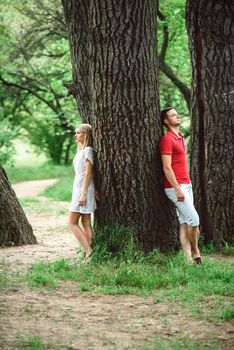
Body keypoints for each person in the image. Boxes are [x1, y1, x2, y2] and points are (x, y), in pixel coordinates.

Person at [159, 107, 202, 264]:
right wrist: (177, 188)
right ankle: (196, 251)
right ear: (166, 121)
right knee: (194, 220)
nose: (177, 116)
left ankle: (187, 259)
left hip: (187, 184)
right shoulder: (167, 139)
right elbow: (166, 167)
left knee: (184, 222)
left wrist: (186, 185)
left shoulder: (180, 137)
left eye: (177, 114)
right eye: (173, 115)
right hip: (175, 187)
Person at [68, 123, 96, 258]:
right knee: (85, 221)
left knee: (72, 223)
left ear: (86, 135)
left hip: (83, 189)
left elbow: (88, 173)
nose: (76, 135)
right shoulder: (81, 151)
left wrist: (84, 194)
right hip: (80, 187)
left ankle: (88, 251)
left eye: (79, 132)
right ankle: (90, 251)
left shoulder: (88, 150)